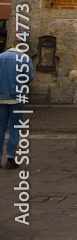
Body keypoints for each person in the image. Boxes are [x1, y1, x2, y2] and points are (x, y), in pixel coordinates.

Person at [0, 38, 34, 169]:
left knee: (1, 126)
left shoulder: (1, 57)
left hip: (1, 96)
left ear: (12, 45)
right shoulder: (25, 59)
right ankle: (10, 158)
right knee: (15, 126)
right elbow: (30, 77)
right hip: (18, 97)